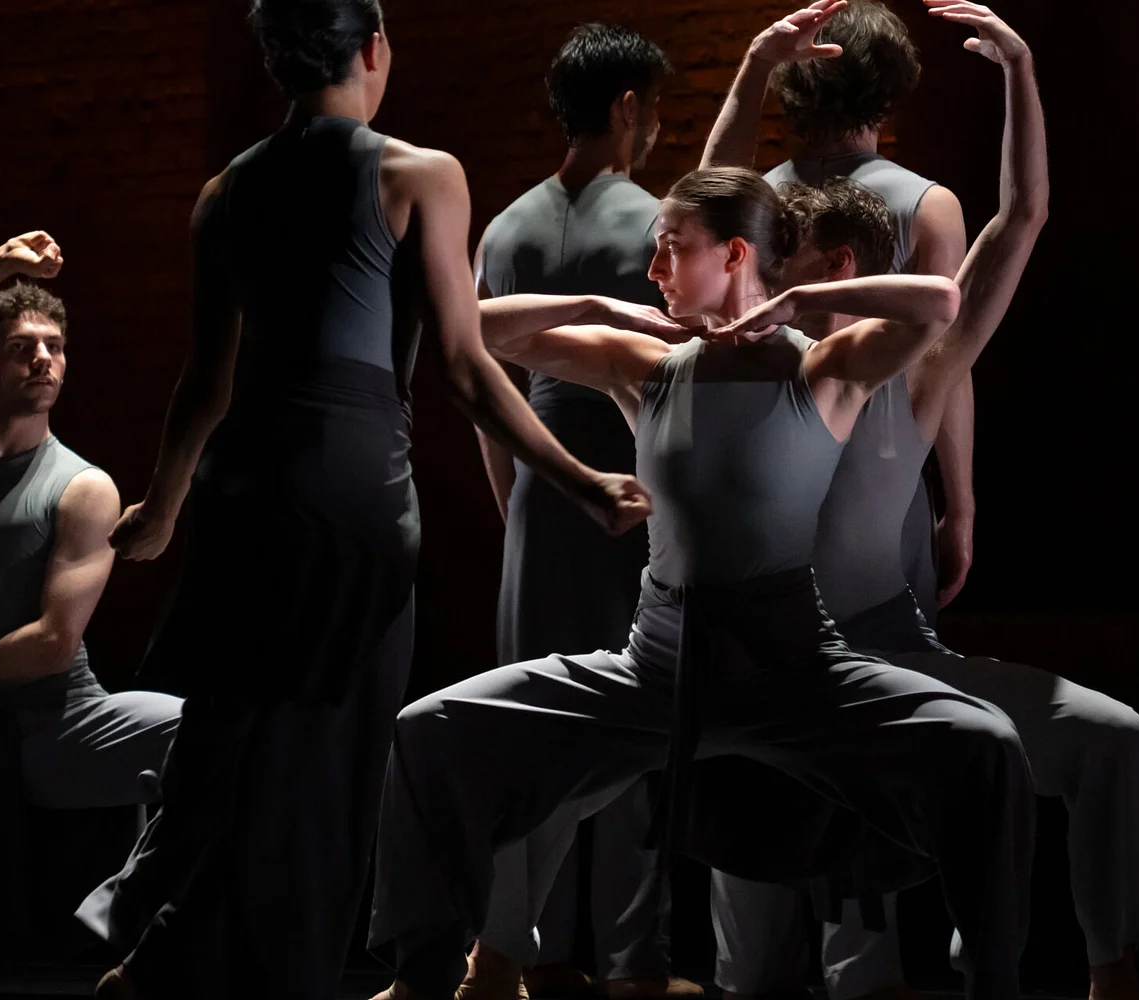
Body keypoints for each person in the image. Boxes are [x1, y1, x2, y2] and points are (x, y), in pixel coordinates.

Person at [72, 2, 653, 997]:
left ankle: (169, 952)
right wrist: (583, 478)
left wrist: (163, 504)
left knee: (241, 731)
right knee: (332, 754)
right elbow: (464, 368)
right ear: (375, 48)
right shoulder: (418, 174)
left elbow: (206, 379)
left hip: (244, 484)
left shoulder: (225, 191)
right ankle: (270, 970)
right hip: (350, 488)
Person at [368, 166, 1037, 1000]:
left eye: (671, 248)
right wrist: (597, 306)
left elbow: (940, 301)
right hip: (658, 668)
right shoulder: (645, 367)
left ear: (734, 253)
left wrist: (795, 303)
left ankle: (994, 982)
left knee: (987, 747)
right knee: (430, 730)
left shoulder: (826, 369)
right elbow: (466, 324)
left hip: (794, 669)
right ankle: (424, 977)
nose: (652, 270)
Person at [706, 7, 1139, 1000]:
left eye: (828, 260)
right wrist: (755, 66)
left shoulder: (915, 369)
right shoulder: (739, 367)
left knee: (1106, 738)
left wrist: (1021, 68)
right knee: (757, 955)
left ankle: (1106, 969)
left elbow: (1021, 219)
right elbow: (704, 204)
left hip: (879, 651)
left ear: (856, 270)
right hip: (758, 673)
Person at [469, 23, 698, 999]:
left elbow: (481, 390)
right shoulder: (656, 224)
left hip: (538, 489)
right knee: (636, 723)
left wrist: (518, 499)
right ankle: (633, 961)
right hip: (633, 480)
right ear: (628, 108)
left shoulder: (501, 230)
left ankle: (524, 950)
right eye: (656, 109)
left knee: (534, 721)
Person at [0, 233, 182, 932]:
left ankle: (129, 913)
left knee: (210, 737)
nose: (44, 358)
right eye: (22, 348)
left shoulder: (85, 488)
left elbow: (53, 643)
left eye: (55, 346)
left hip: (61, 725)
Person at [703, 0, 977, 624]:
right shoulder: (929, 206)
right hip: (880, 461)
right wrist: (960, 507)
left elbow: (708, 193)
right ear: (891, 84)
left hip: (766, 453)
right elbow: (948, 363)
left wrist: (756, 64)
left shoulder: (757, 198)